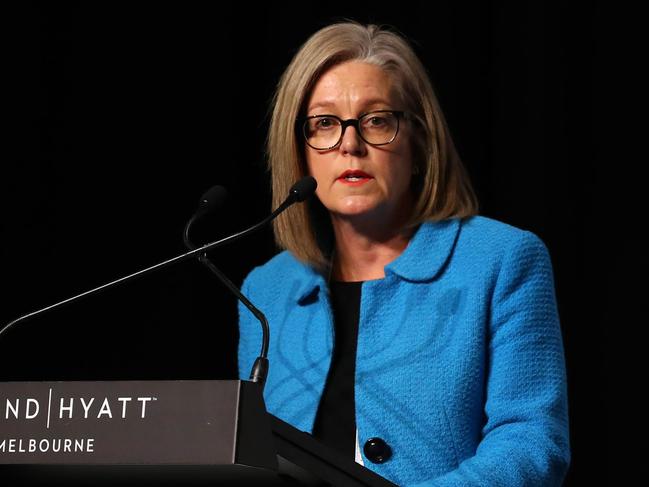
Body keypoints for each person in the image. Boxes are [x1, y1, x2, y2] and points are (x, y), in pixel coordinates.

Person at [238, 21, 570, 486]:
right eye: (325, 124)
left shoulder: (502, 261)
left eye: (376, 120)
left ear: (418, 141)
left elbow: (531, 445)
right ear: (300, 152)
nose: (350, 144)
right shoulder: (267, 290)